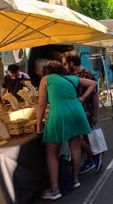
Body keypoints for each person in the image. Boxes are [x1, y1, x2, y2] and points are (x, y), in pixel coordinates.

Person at [36, 61, 97, 200]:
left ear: (46, 71)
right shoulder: (72, 78)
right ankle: (75, 180)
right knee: (75, 147)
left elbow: (41, 104)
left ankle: (55, 189)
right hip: (76, 110)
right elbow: (93, 83)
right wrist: (82, 98)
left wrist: (38, 123)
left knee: (51, 152)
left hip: (58, 113)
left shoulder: (45, 79)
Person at [62, 51, 103, 174]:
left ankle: (93, 157)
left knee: (84, 137)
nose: (63, 66)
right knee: (80, 137)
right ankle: (91, 159)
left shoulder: (86, 75)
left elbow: (95, 96)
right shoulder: (73, 74)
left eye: (65, 63)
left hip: (86, 112)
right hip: (78, 112)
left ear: (71, 63)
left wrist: (96, 114)